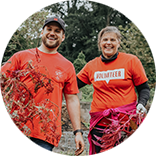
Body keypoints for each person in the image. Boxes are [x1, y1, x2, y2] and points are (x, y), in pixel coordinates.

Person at [1, 16, 84, 156]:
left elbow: (72, 99)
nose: (52, 33)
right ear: (42, 32)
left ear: (63, 37)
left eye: (57, 31)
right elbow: (1, 81)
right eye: (49, 29)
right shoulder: (21, 57)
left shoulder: (67, 66)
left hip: (46, 134)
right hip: (17, 129)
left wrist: (78, 132)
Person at [77, 26, 150, 156]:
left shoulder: (131, 61)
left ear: (118, 43)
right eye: (105, 39)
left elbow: (143, 88)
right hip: (100, 126)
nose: (108, 43)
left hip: (127, 126)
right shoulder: (91, 66)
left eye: (112, 39)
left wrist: (141, 104)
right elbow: (73, 85)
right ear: (100, 43)